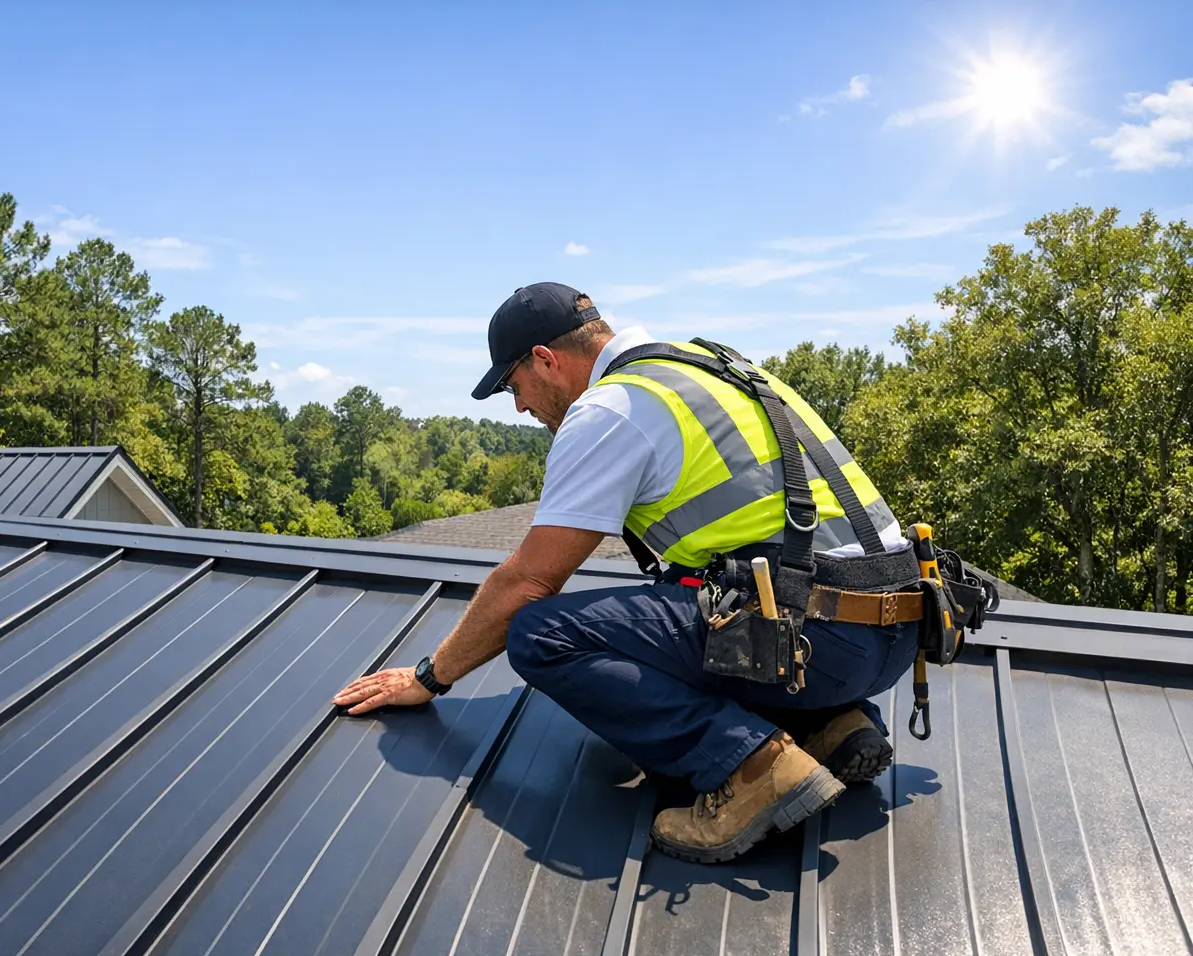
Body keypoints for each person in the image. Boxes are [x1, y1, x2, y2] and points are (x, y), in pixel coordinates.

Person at [333, 282, 919, 864]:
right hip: (892, 634)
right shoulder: (709, 367)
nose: (519, 407)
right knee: (680, 591)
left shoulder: (613, 407)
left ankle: (752, 767)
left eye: (515, 386)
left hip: (821, 639)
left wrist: (430, 677)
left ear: (546, 359)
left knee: (540, 634)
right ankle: (833, 726)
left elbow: (529, 583)